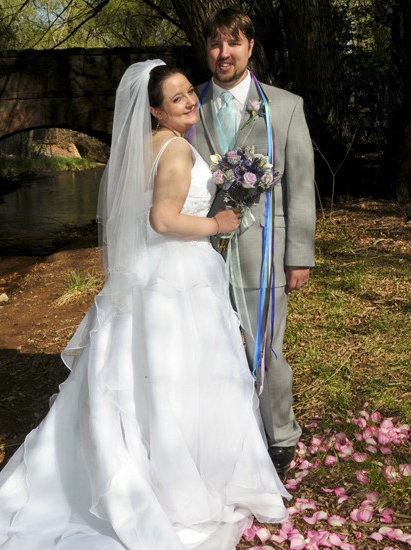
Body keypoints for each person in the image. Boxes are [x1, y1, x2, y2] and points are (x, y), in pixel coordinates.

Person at [0, 60, 289, 550]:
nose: (190, 101)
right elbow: (164, 221)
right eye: (177, 99)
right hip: (178, 275)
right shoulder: (176, 152)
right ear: (154, 109)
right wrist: (219, 224)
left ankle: (143, 457)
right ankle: (179, 482)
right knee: (184, 375)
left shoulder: (143, 148)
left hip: (149, 275)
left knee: (140, 373)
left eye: (190, 91)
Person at [188, 8, 316, 473]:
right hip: (197, 252)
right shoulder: (188, 105)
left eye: (233, 43)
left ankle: (281, 434)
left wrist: (299, 255)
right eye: (216, 44)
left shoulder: (284, 105)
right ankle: (222, 430)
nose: (224, 53)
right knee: (206, 344)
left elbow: (300, 185)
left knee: (266, 346)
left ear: (250, 47)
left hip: (263, 249)